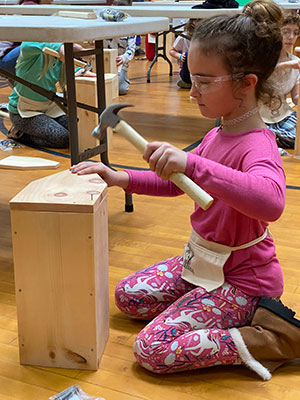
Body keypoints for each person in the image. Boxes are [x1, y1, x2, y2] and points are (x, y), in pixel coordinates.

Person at [70, 5, 300, 380]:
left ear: (247, 82)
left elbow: (272, 202)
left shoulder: (258, 145)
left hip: (242, 281)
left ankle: (268, 338)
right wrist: (118, 177)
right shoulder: (217, 132)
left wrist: (192, 164)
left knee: (152, 348)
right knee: (128, 295)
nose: (193, 92)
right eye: (192, 78)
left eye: (205, 81)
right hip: (204, 264)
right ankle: (201, 306)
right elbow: (180, 184)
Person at [8, 41, 84, 148]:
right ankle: (21, 134)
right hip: (24, 112)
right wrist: (60, 46)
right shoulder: (29, 48)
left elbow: (67, 75)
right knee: (63, 138)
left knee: (79, 130)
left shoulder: (57, 58)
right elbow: (29, 43)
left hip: (48, 107)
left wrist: (81, 71)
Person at [258, 10, 300, 150]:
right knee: (249, 132)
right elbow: (260, 75)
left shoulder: (296, 62)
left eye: (295, 32)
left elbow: (296, 99)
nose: (291, 37)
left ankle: (272, 138)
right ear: (276, 33)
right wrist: (287, 65)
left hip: (284, 115)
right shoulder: (262, 57)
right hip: (259, 115)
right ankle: (270, 138)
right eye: (286, 31)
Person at [169, 19, 199, 89]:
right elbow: (171, 51)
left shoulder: (205, 37)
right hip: (187, 70)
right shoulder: (183, 37)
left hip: (200, 69)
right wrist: (180, 56)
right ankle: (188, 81)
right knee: (188, 53)